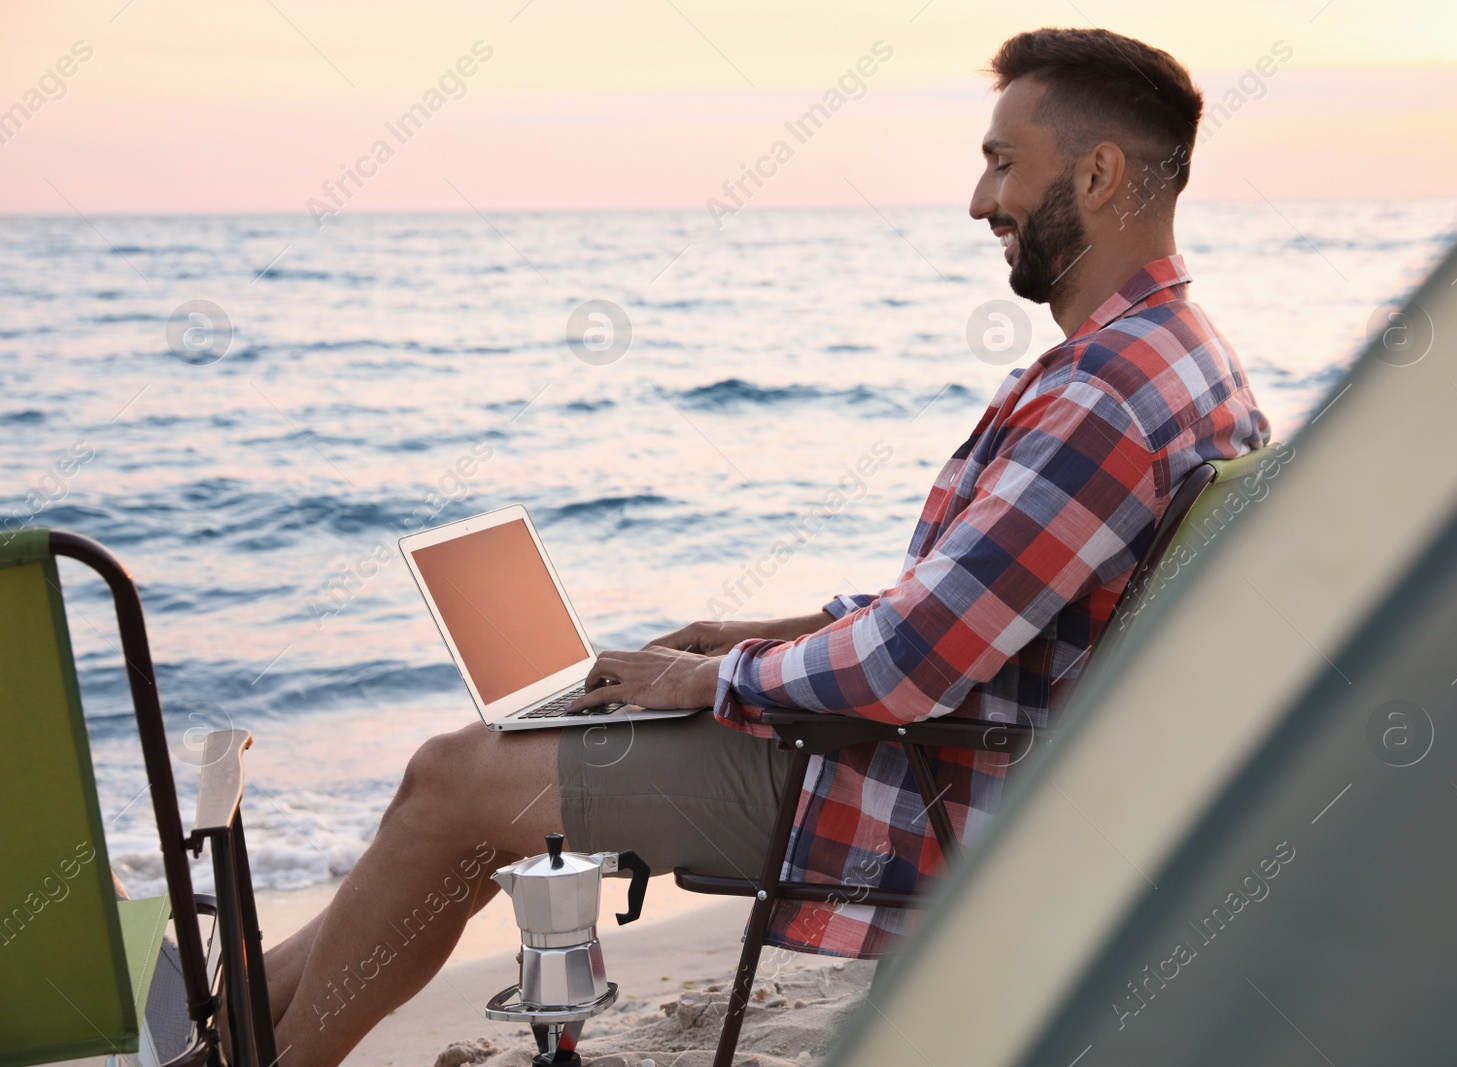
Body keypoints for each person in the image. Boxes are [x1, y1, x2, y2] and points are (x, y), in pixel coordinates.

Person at [265, 26, 1270, 1065]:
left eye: (1002, 162)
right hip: (972, 752)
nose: (981, 203)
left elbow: (911, 662)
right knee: (453, 787)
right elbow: (967, 606)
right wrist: (735, 635)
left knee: (456, 779)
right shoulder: (1174, 358)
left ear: (1099, 173)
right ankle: (233, 1028)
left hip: (927, 786)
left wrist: (714, 677)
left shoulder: (1100, 393)